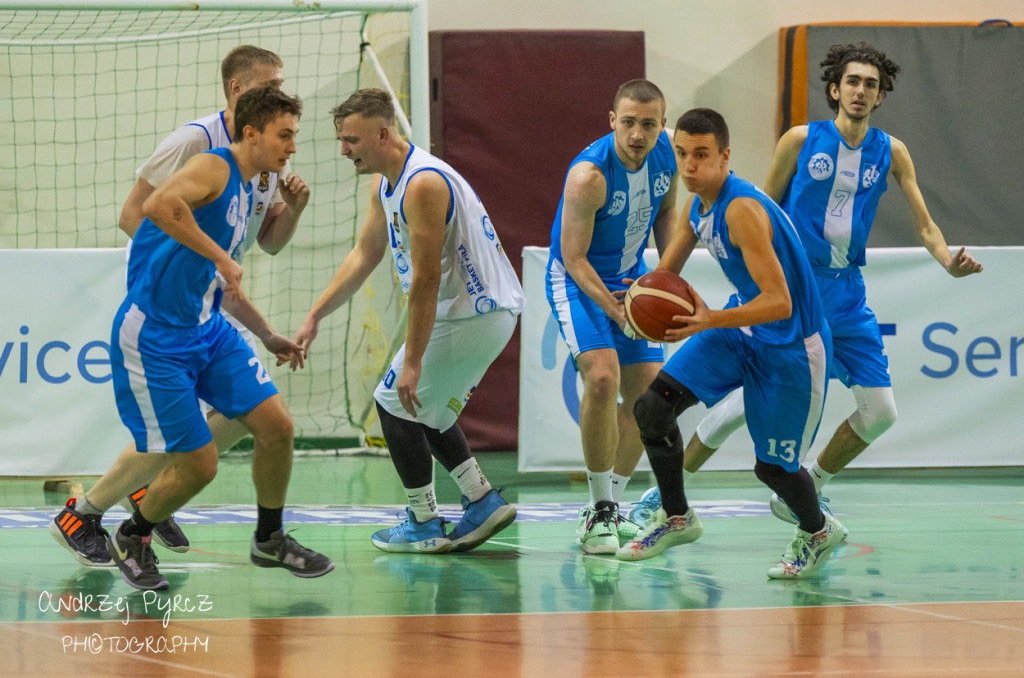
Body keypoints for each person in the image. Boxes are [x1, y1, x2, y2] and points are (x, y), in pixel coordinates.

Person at [628, 43, 983, 532]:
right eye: (852, 82)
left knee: (881, 413)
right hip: (789, 288)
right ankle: (661, 497)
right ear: (835, 89)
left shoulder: (893, 151)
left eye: (871, 85)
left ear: (880, 97)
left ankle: (812, 485)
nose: (861, 91)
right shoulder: (799, 140)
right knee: (733, 411)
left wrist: (947, 260)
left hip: (847, 295)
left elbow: (923, 225)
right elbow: (763, 205)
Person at [50, 45, 310, 567]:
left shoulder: (258, 172)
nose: (281, 92)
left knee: (258, 422)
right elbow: (144, 211)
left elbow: (262, 247)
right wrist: (195, 258)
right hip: (160, 317)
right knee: (186, 454)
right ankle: (102, 511)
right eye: (273, 85)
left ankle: (260, 532)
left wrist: (259, 322)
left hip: (205, 317)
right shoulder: (202, 147)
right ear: (243, 99)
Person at [102, 87, 332, 590]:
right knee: (200, 465)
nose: (293, 147)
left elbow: (221, 283)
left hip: (206, 328)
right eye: (284, 135)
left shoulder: (257, 186)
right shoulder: (214, 166)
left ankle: (269, 538)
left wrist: (267, 333)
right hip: (156, 336)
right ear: (251, 134)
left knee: (276, 426)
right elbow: (159, 203)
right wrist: (222, 256)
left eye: (295, 135)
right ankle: (132, 535)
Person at [292, 88, 524, 554]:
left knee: (394, 403)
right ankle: (481, 500)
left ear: (383, 133)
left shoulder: (422, 184)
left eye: (351, 140)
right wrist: (316, 314)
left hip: (471, 313)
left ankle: (422, 522)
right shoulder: (385, 184)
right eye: (341, 139)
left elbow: (426, 280)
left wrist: (413, 359)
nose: (343, 150)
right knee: (424, 406)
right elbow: (365, 254)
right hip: (468, 314)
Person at [616, 107, 844, 579]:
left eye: (701, 155)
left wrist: (708, 319)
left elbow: (780, 303)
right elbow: (664, 276)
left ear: (725, 157)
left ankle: (818, 531)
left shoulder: (741, 209)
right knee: (652, 409)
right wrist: (632, 301)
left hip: (791, 346)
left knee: (774, 471)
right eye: (681, 154)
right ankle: (676, 516)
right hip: (740, 332)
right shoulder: (696, 204)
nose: (689, 166)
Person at [545, 79, 678, 555]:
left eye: (648, 124)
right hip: (577, 281)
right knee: (602, 378)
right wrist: (617, 310)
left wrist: (666, 279)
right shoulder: (589, 176)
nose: (637, 134)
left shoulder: (668, 158)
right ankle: (598, 510)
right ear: (612, 121)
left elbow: (666, 216)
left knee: (651, 397)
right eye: (628, 123)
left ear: (663, 124)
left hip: (632, 279)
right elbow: (574, 258)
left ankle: (612, 506)